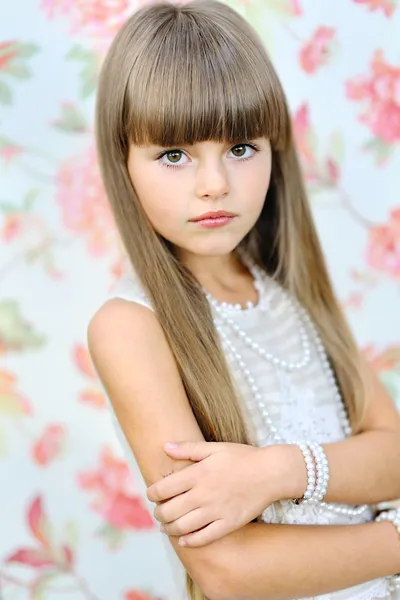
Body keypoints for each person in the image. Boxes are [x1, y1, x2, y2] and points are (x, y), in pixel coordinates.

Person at [87, 1, 400, 599]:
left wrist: (274, 472)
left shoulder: (289, 286)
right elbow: (227, 570)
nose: (214, 184)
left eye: (240, 148)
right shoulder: (132, 327)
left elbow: (393, 452)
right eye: (174, 155)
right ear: (123, 163)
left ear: (273, 148)